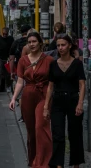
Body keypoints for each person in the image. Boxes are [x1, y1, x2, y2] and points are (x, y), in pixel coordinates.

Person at [10, 31, 53, 168]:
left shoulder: (49, 61)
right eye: (29, 42)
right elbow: (20, 81)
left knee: (41, 127)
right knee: (31, 131)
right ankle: (33, 160)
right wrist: (14, 98)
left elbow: (52, 82)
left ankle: (43, 163)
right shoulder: (23, 60)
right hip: (28, 95)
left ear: (40, 43)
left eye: (34, 41)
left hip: (44, 95)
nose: (31, 44)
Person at [44, 34, 85, 168]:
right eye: (58, 45)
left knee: (75, 134)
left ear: (69, 46)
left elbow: (82, 85)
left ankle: (76, 164)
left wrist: (80, 104)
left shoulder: (77, 63)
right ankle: (58, 164)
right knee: (58, 134)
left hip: (73, 99)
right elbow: (50, 86)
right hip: (57, 101)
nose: (60, 48)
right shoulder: (53, 64)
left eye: (63, 45)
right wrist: (46, 106)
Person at [0, 26, 14, 95]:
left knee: (8, 74)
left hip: (7, 58)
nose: (5, 35)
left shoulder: (10, 39)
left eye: (6, 34)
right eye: (4, 34)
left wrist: (11, 57)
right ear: (2, 32)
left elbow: (12, 48)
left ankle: (7, 86)